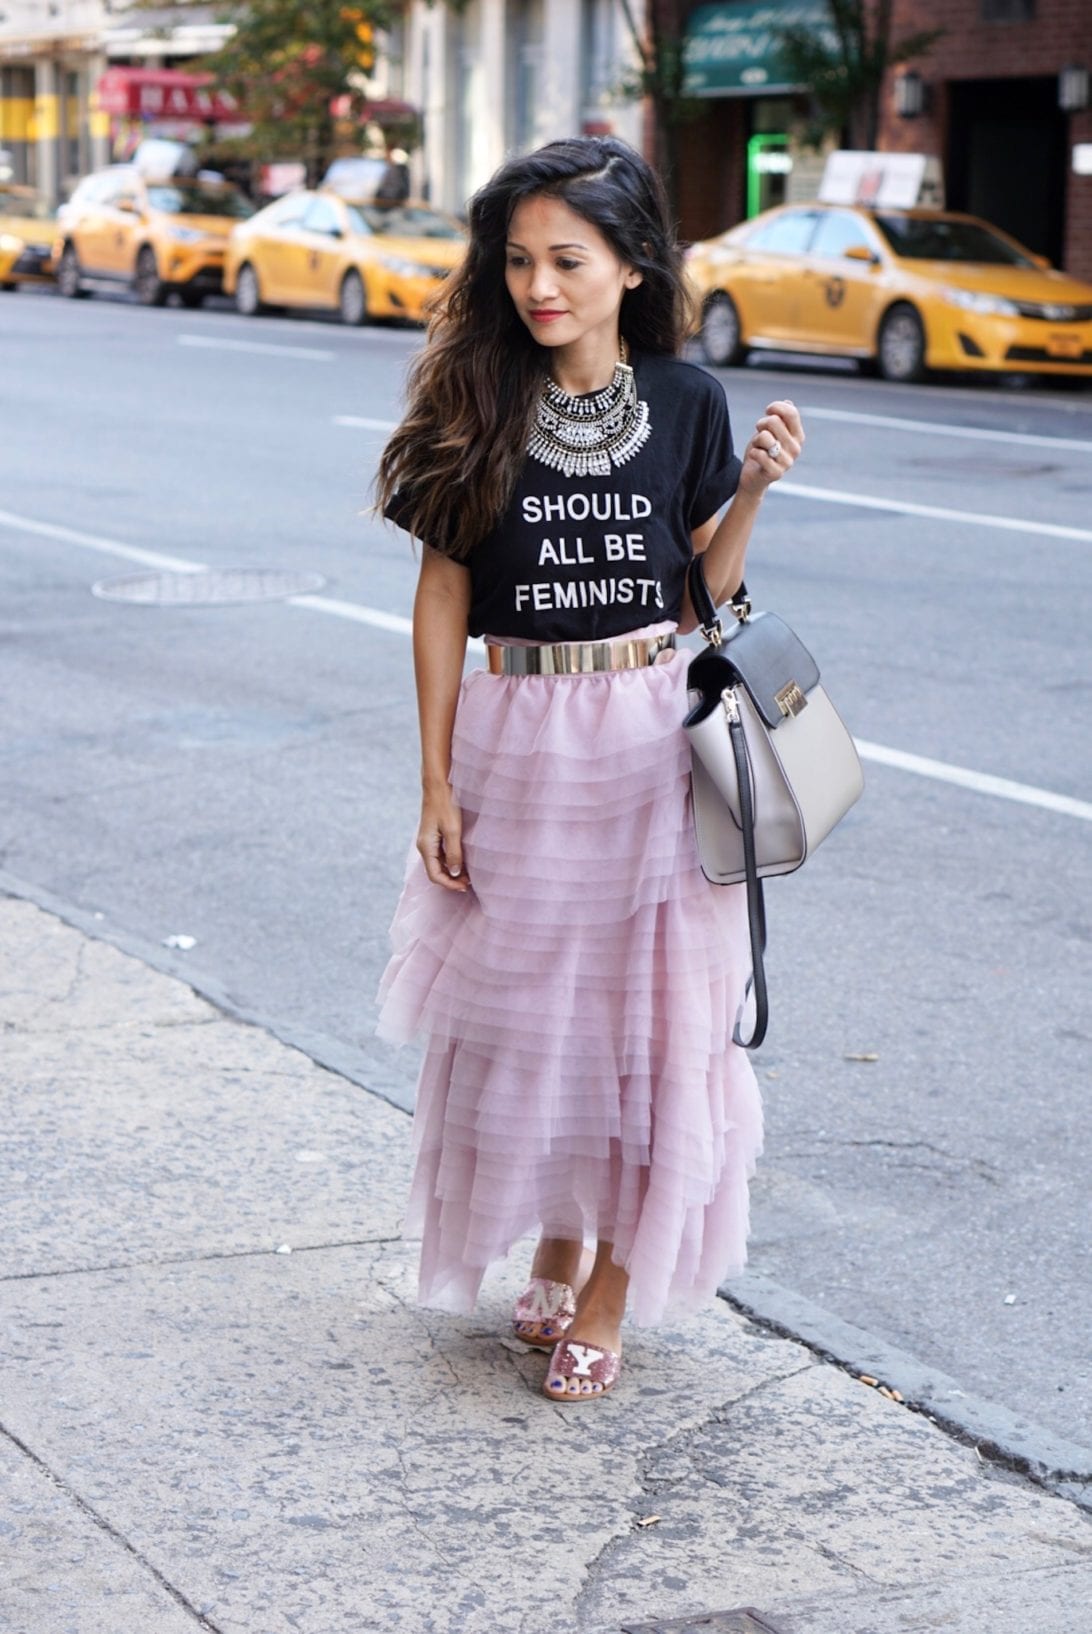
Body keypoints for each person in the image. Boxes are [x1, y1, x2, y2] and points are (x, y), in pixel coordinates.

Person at [375, 136, 804, 1404]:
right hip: (520, 736)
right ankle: (555, 1233)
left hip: (648, 738)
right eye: (518, 261)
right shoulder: (475, 396)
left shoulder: (685, 399)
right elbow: (441, 592)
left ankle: (609, 1280)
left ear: (629, 267)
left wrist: (759, 491)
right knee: (536, 1018)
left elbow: (696, 590)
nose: (538, 286)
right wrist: (436, 779)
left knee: (651, 1024)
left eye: (568, 260)